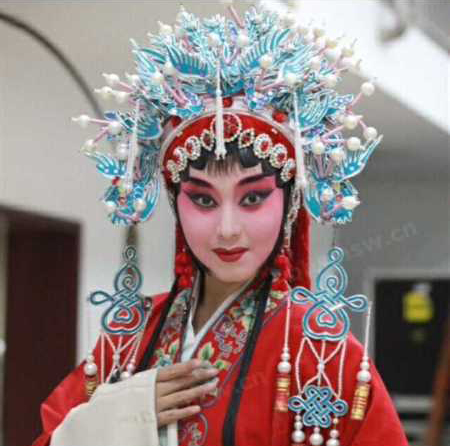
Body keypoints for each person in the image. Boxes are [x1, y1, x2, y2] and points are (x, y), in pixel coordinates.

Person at [32, 2, 409, 445]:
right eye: (203, 199)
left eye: (253, 198)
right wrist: (117, 417)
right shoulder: (129, 338)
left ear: (290, 204)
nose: (227, 229)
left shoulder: (325, 355)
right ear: (176, 203)